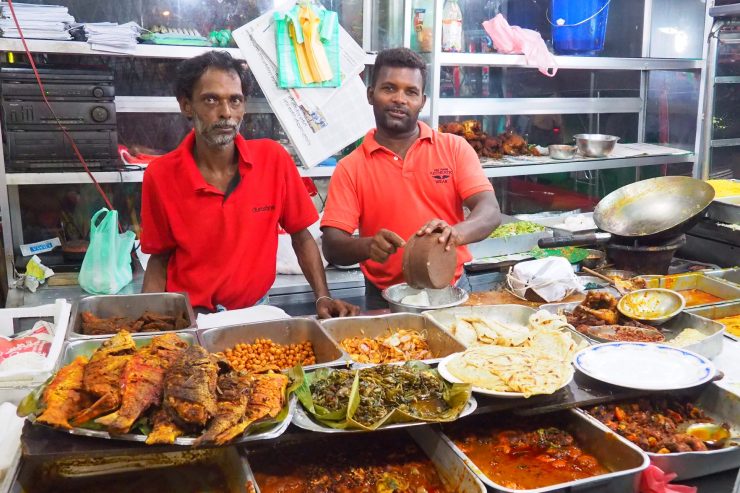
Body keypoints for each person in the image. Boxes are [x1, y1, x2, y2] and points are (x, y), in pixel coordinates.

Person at [140, 51, 358, 318]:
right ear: (187, 105)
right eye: (211, 100)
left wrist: (322, 297)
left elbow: (302, 237)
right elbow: (159, 260)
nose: (226, 113)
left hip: (255, 314)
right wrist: (148, 326)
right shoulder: (160, 175)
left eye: (235, 100)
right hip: (189, 317)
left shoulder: (273, 159)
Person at [321, 47, 502, 308]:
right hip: (385, 297)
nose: (400, 99)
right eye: (389, 88)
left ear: (423, 101)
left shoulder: (453, 148)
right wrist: (367, 246)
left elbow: (490, 211)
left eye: (411, 92)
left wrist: (455, 233)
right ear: (371, 95)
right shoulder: (351, 167)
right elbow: (332, 245)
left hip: (451, 289)